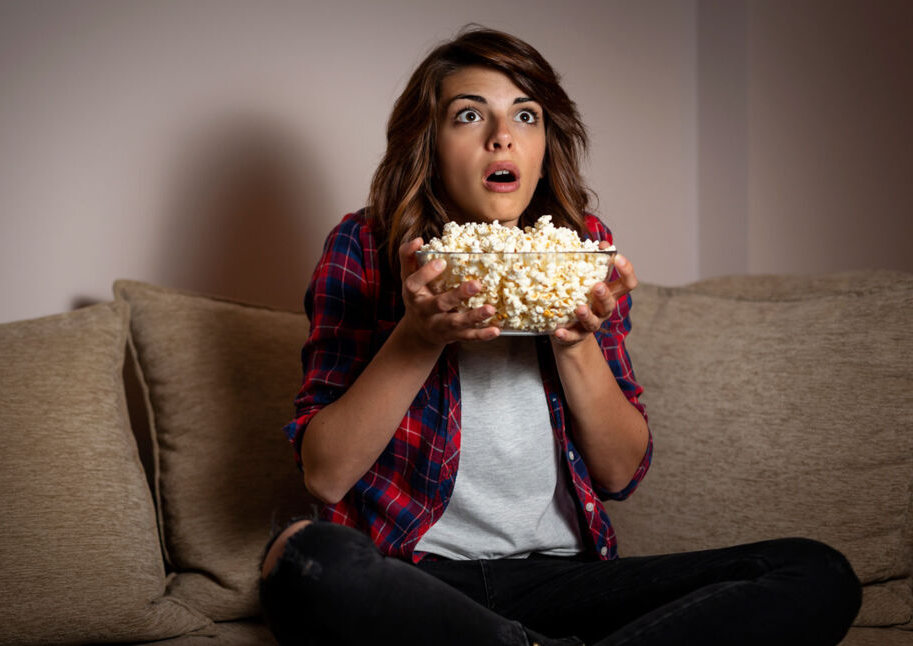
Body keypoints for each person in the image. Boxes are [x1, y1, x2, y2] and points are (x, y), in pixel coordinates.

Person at [259, 26, 861, 646]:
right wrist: (418, 337)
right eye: (470, 115)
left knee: (815, 571)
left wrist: (576, 342)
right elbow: (325, 476)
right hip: (419, 580)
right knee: (305, 560)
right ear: (429, 144)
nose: (503, 136)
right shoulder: (367, 246)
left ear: (545, 143)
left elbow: (620, 473)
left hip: (563, 581)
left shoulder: (580, 248)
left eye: (526, 115)